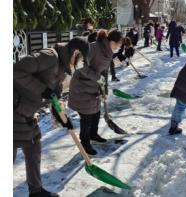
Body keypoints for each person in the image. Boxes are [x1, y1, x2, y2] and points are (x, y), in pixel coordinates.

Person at [13, 37, 90, 197]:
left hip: (26, 113)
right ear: (75, 52)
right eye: (80, 58)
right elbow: (16, 70)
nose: (79, 62)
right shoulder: (50, 56)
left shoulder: (62, 68)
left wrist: (63, 118)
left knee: (34, 148)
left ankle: (36, 191)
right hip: (13, 109)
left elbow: (55, 97)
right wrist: (42, 89)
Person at [68, 30, 123, 155]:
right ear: (112, 42)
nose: (118, 48)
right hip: (81, 86)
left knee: (96, 113)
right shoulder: (93, 47)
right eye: (118, 45)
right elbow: (80, 65)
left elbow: (104, 72)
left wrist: (105, 90)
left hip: (94, 86)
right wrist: (96, 77)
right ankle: (85, 143)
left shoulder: (108, 52)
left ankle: (93, 134)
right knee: (87, 116)